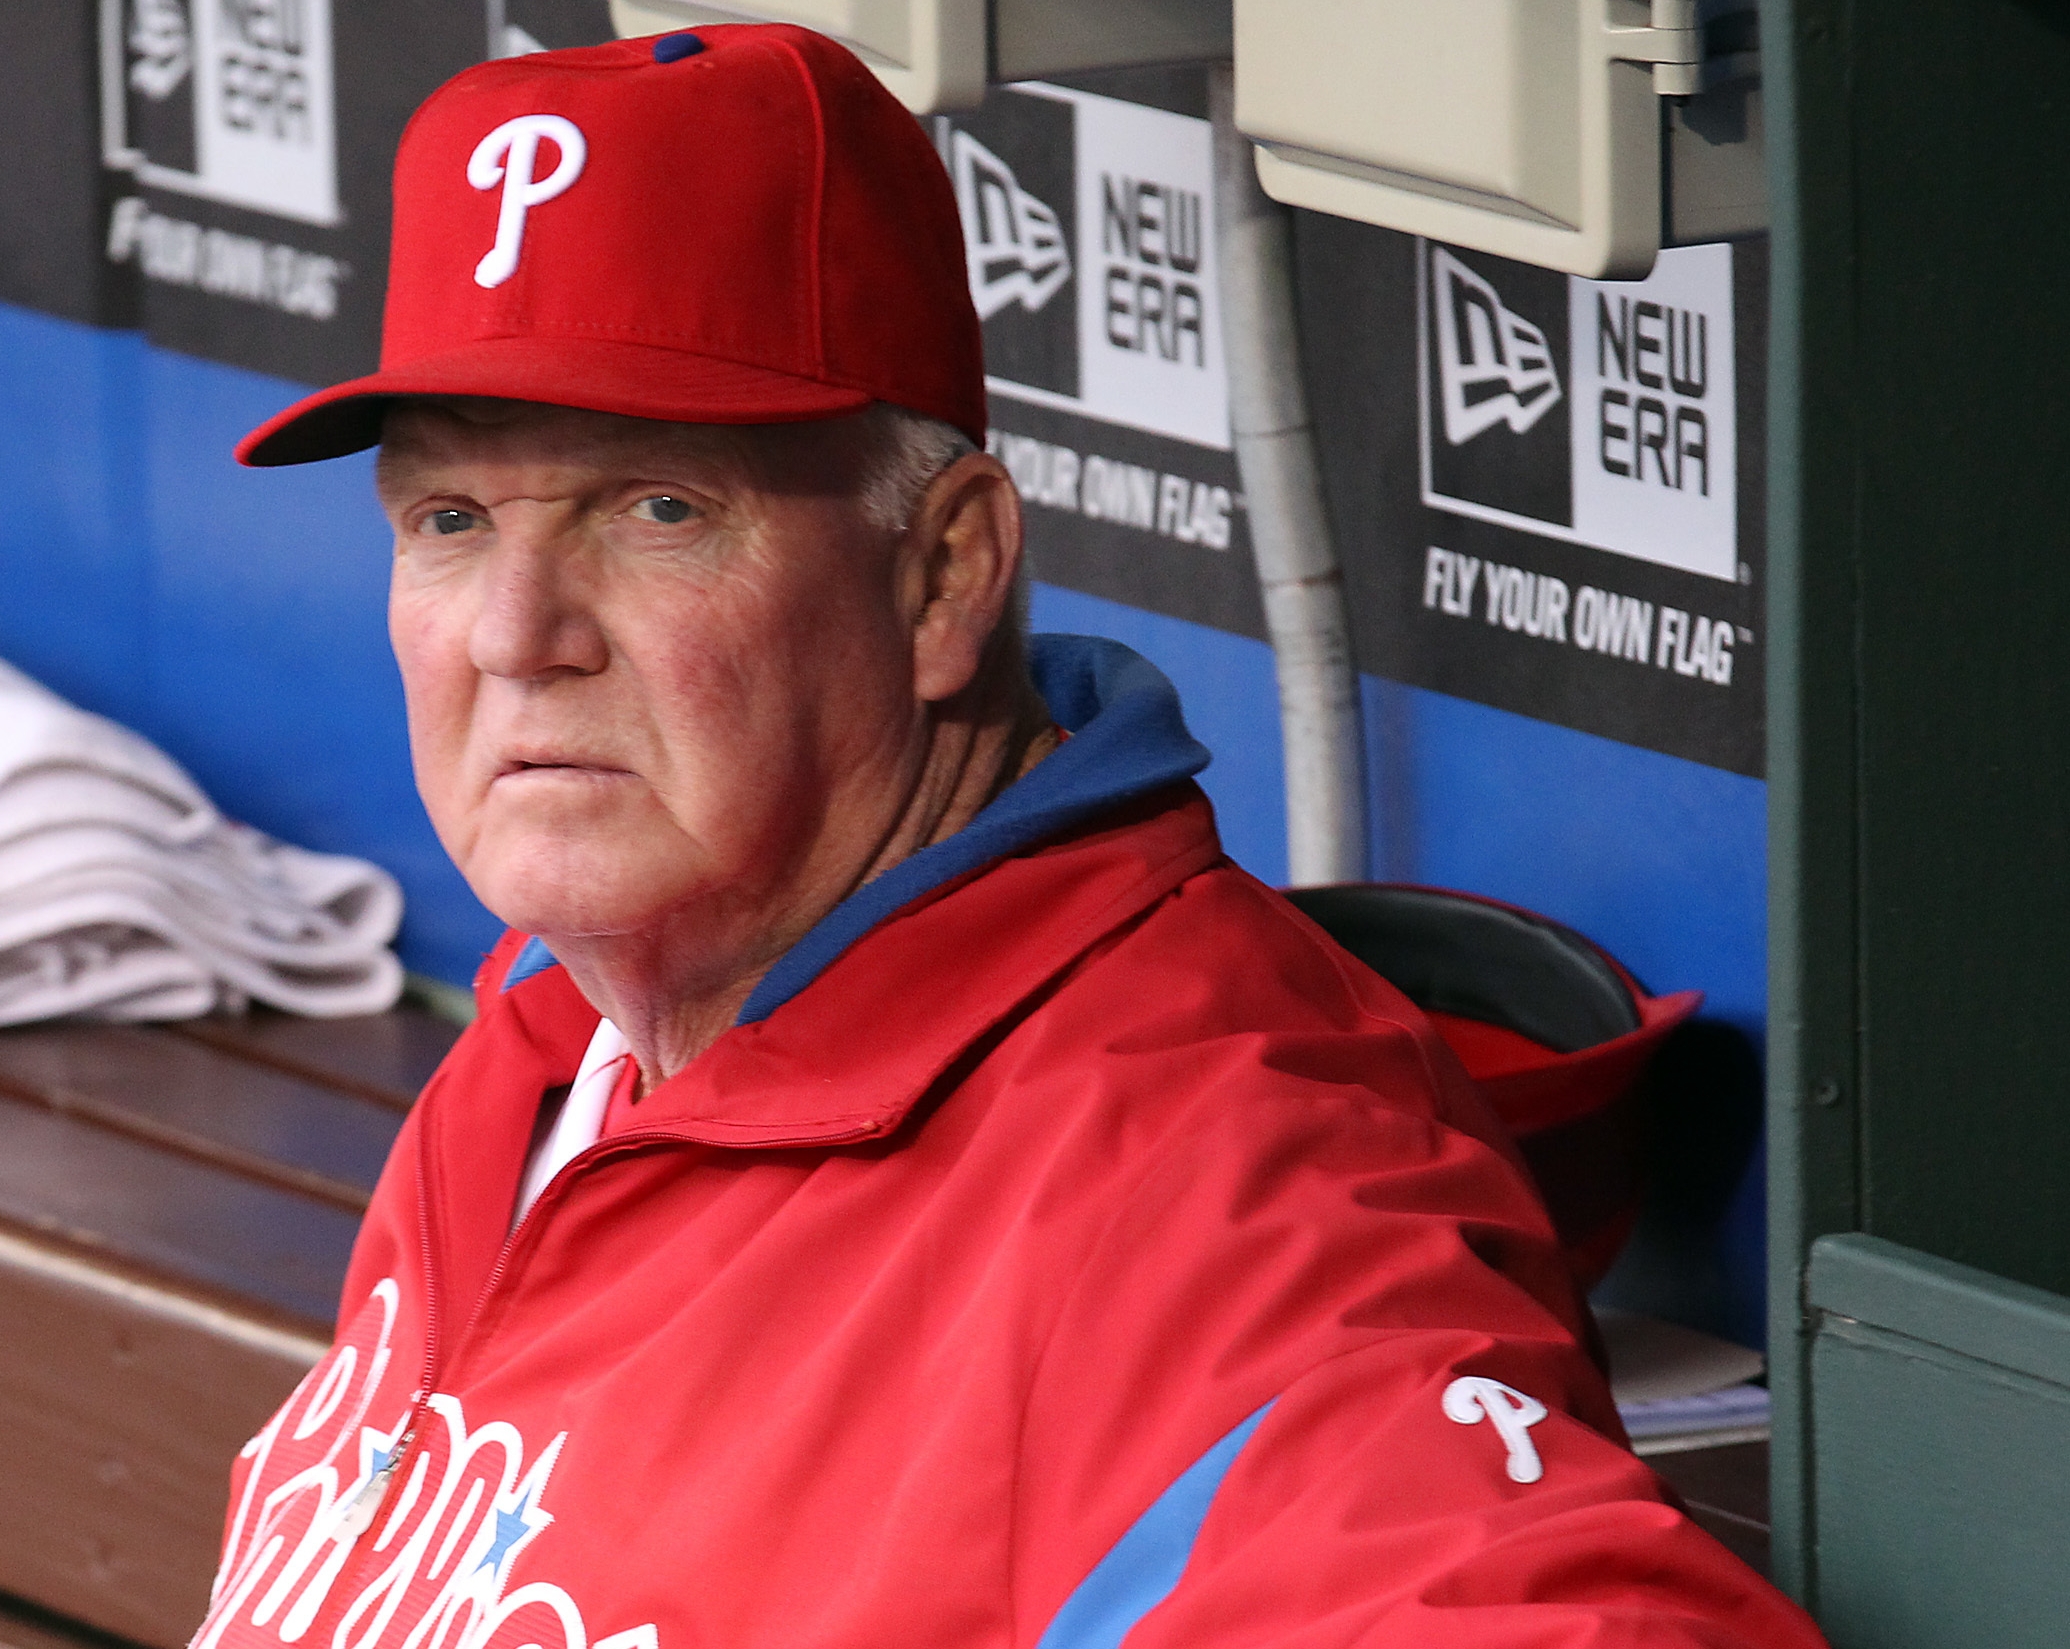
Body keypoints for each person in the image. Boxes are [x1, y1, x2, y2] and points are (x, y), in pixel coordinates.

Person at [193, 23, 1827, 1649]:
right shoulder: (559, 1038)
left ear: (940, 573)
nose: (515, 631)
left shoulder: (1191, 1180)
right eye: (449, 521)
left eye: (656, 508)